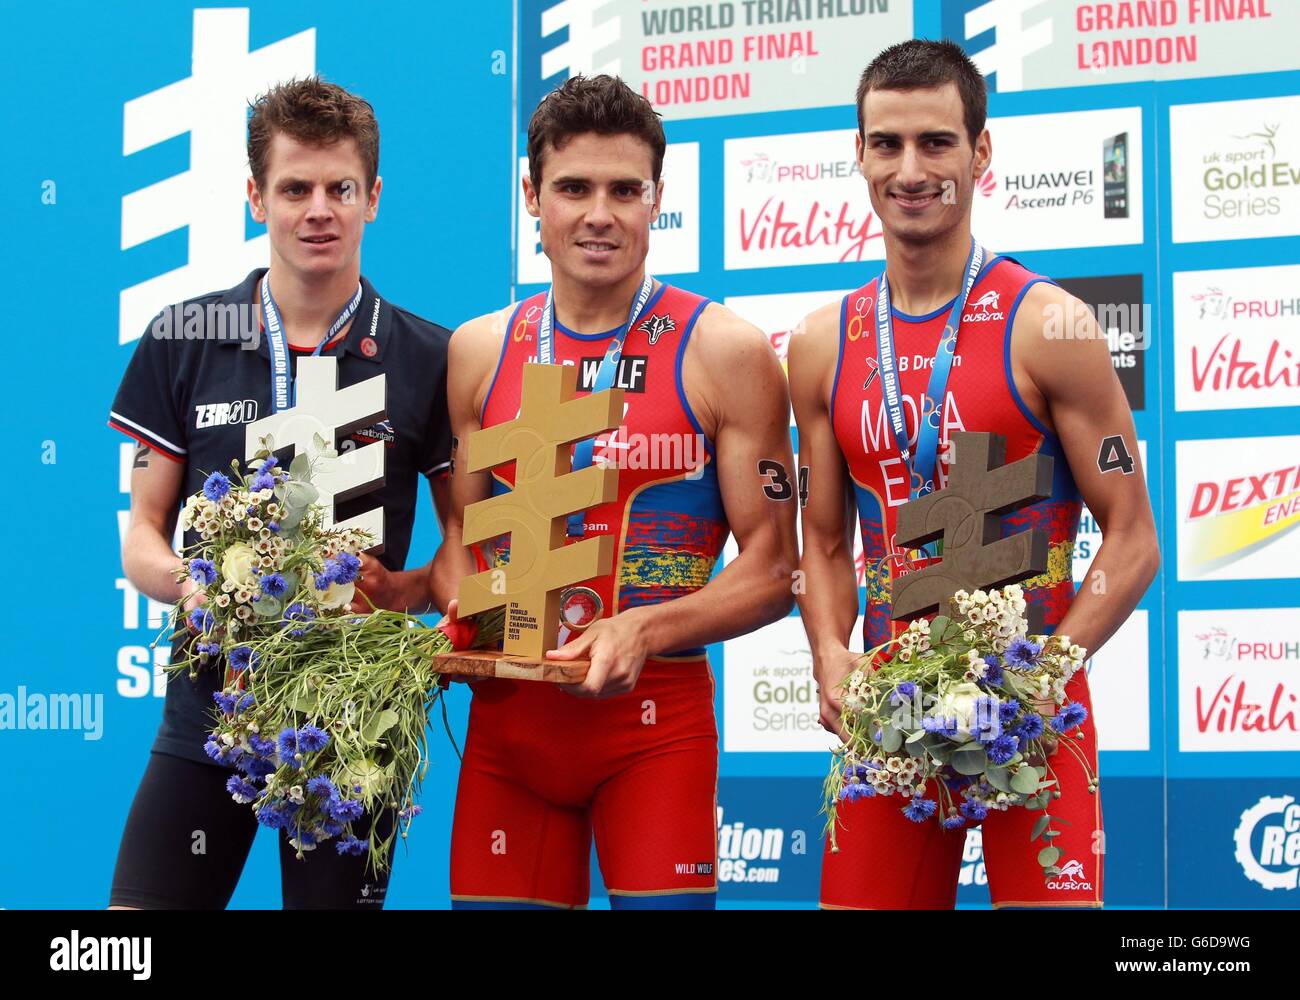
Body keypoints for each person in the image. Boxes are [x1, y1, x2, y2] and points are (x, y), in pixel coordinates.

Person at [787, 40, 1158, 910]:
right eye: (887, 144)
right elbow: (824, 540)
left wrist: (1047, 671)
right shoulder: (818, 344)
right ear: (861, 154)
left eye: (936, 142)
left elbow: (1134, 539)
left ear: (980, 153)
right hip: (891, 718)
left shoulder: (1051, 326)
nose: (910, 169)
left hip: (1035, 720)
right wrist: (830, 654)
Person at [431, 74, 799, 910]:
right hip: (506, 734)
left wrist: (644, 626)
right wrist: (450, 619)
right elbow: (461, 543)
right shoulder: (478, 352)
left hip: (653, 732)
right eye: (573, 188)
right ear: (532, 196)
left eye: (624, 189)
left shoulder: (725, 352)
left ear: (657, 199)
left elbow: (777, 567)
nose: (599, 213)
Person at [107, 77, 453, 910]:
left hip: (351, 725)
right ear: (256, 195)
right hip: (209, 714)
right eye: (295, 188)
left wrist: (403, 594)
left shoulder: (429, 357)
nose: (318, 209)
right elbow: (142, 536)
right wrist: (193, 586)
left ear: (373, 196)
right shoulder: (183, 337)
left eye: (340, 188)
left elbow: (470, 544)